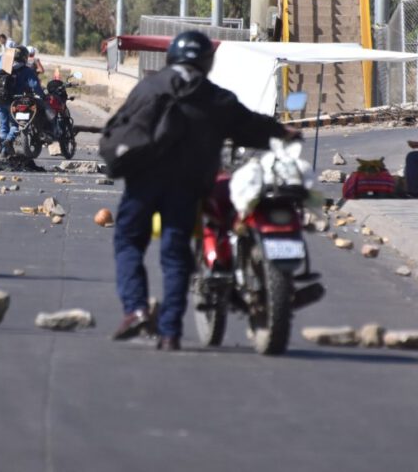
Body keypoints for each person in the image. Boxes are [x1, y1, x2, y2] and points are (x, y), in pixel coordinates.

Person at [110, 30, 297, 351]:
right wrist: (282, 131)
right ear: (207, 62)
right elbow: (250, 125)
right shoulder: (214, 96)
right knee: (176, 255)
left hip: (143, 183)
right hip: (187, 187)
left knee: (128, 241)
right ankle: (170, 333)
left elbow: (119, 127)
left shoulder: (147, 87)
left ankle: (136, 310)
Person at [0, 45, 48, 157]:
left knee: (4, 125)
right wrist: (43, 96)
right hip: (15, 101)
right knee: (15, 124)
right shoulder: (26, 70)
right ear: (24, 57)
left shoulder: (5, 68)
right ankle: (9, 141)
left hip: (0, 100)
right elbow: (35, 86)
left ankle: (3, 149)